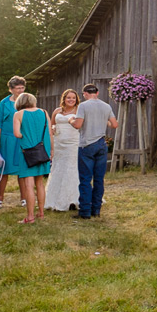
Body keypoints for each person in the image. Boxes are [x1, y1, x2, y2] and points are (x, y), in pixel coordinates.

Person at [68, 83, 118, 220]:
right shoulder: (106, 106)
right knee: (99, 179)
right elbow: (114, 124)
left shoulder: (83, 106)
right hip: (101, 144)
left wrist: (71, 120)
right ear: (97, 93)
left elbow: (78, 125)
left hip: (87, 145)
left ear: (85, 94)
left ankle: (84, 211)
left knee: (85, 179)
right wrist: (103, 122)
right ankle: (96, 210)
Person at [12, 93, 52, 224]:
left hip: (27, 153)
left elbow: (17, 134)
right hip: (42, 152)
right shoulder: (44, 112)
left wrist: (26, 134)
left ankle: (30, 217)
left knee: (29, 185)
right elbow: (50, 133)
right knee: (40, 184)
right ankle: (41, 213)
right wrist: (51, 150)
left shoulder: (18, 114)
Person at [0, 76, 27, 208]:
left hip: (22, 138)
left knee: (22, 169)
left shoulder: (27, 101)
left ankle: (23, 198)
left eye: (22, 87)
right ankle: (0, 198)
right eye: (18, 88)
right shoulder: (4, 103)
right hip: (6, 139)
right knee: (4, 169)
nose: (20, 90)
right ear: (11, 89)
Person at [46, 89, 82, 212]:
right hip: (59, 143)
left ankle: (73, 199)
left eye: (73, 98)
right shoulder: (57, 111)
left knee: (72, 169)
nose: (71, 100)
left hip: (73, 143)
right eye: (68, 98)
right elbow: (51, 126)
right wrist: (54, 127)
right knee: (58, 168)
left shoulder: (79, 110)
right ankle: (54, 198)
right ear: (64, 99)